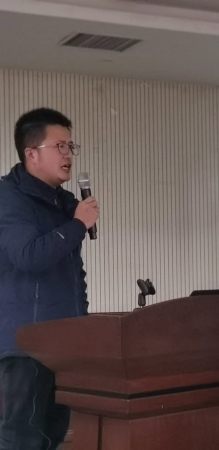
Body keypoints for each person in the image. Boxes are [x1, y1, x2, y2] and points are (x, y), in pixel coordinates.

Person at [0, 108, 99, 450]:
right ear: (31, 154)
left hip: (63, 343)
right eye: (60, 146)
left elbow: (72, 272)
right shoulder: (9, 198)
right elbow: (28, 256)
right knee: (21, 438)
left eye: (71, 146)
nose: (68, 154)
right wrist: (78, 225)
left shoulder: (64, 203)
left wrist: (82, 324)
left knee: (54, 435)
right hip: (25, 345)